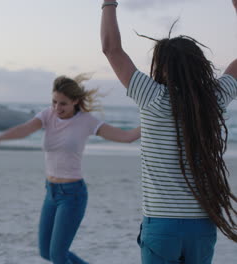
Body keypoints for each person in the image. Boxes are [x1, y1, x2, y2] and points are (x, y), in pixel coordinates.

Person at [101, 1, 237, 263]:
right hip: (202, 225)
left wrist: (109, 3)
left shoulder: (152, 96)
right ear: (199, 65)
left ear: (162, 67)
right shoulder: (215, 98)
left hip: (162, 226)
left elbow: (111, 49)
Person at [0, 74, 141, 264]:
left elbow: (126, 136)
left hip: (72, 195)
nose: (57, 108)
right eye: (54, 102)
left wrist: (152, 122)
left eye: (63, 103)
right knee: (46, 253)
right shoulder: (47, 115)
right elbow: (25, 129)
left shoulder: (86, 121)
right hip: (51, 192)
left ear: (75, 101)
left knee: (58, 255)